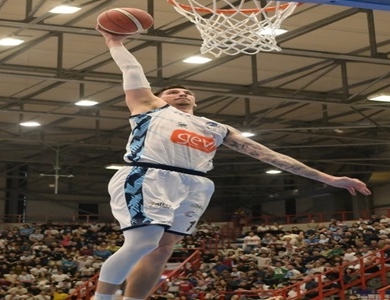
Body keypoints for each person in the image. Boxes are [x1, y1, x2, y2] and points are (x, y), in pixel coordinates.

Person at [92, 27, 372, 300]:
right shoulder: (149, 107)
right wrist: (115, 43)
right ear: (158, 97)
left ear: (196, 101)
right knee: (144, 241)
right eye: (174, 91)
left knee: (162, 250)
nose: (182, 94)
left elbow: (270, 156)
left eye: (187, 92)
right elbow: (131, 71)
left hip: (196, 184)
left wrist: (329, 179)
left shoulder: (216, 128)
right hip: (149, 173)